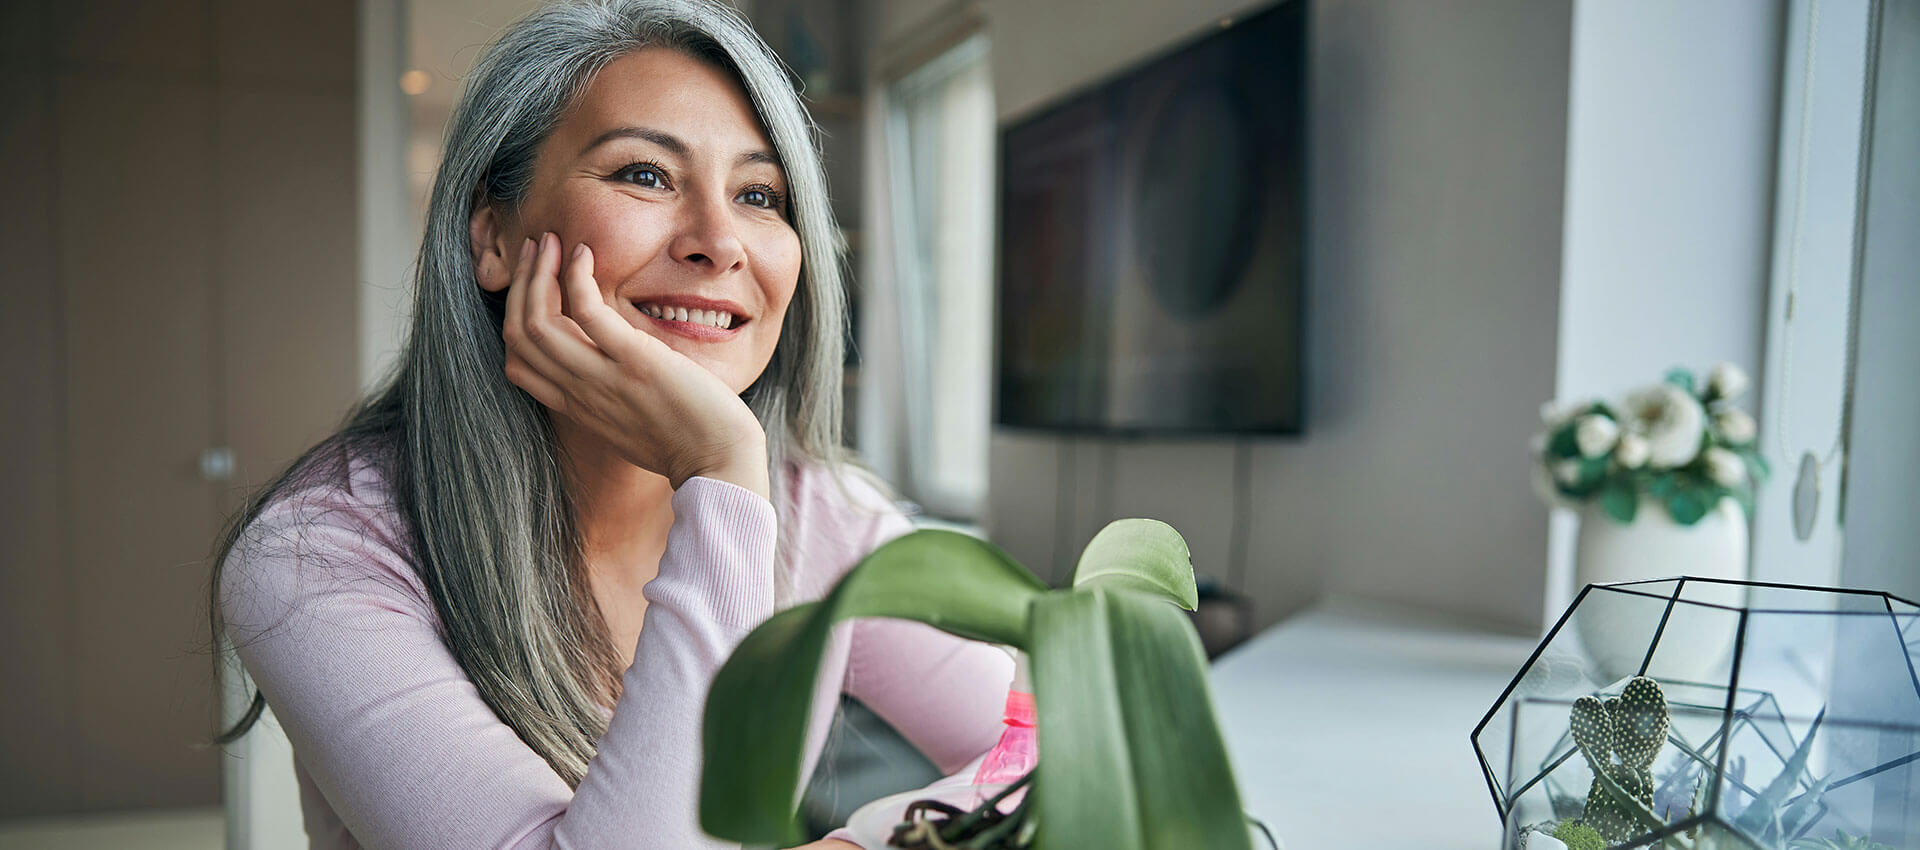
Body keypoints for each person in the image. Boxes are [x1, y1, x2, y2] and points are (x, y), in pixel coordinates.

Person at [209, 1, 1012, 847]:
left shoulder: (819, 513)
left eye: (759, 193)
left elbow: (1055, 744)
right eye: (645, 174)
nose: (720, 241)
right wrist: (718, 471)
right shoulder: (317, 551)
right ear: (494, 236)